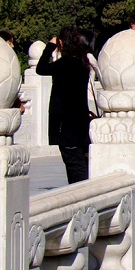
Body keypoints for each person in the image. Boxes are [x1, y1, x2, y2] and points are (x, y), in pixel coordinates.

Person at [37, 26, 96, 184]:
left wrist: (50, 47)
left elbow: (41, 68)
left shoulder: (66, 63)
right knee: (80, 161)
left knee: (74, 164)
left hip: (67, 125)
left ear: (62, 43)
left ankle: (81, 196)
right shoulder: (83, 63)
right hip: (80, 122)